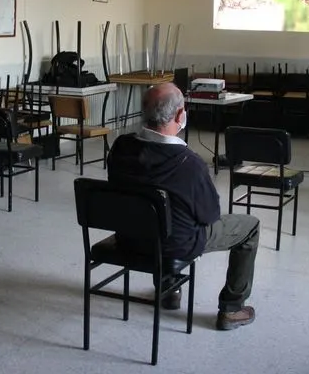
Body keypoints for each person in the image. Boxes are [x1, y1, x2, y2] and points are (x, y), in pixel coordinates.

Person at [107, 83, 260, 331]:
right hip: (175, 244)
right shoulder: (189, 164)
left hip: (129, 238)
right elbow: (209, 216)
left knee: (164, 219)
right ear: (180, 116)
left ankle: (168, 291)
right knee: (249, 227)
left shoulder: (121, 147)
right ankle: (232, 309)